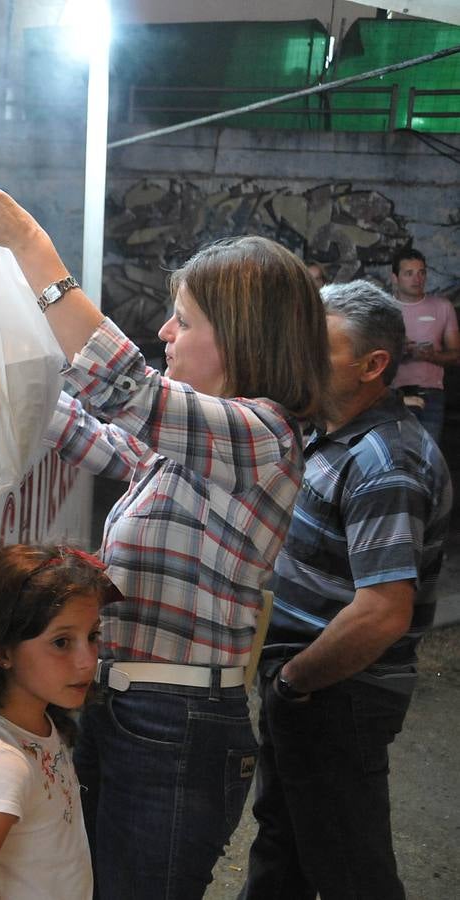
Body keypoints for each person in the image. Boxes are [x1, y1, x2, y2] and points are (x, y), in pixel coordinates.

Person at [0, 186, 330, 900]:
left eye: (183, 320)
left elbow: (125, 389)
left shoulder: (260, 435)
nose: (164, 331)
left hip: (177, 727)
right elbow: (96, 435)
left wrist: (33, 249)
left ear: (239, 336)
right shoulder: (199, 449)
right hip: (135, 713)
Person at [242, 280, 452, 900]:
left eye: (317, 346)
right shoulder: (328, 431)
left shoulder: (385, 461)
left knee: (349, 866)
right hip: (307, 685)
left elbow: (383, 613)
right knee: (284, 844)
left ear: (373, 365)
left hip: (337, 693)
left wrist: (295, 682)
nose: (298, 357)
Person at [0, 544, 120, 900]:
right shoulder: (2, 765)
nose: (87, 660)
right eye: (62, 642)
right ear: (1, 651)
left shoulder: (39, 725)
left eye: (92, 636)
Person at [389, 247, 459, 442]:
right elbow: (369, 354)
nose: (416, 279)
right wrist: (401, 352)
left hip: (432, 393)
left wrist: (432, 356)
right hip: (393, 393)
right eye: (409, 273)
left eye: (421, 273)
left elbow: (456, 355)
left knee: (429, 457)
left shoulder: (443, 306)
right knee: (397, 455)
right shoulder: (384, 308)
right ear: (395, 277)